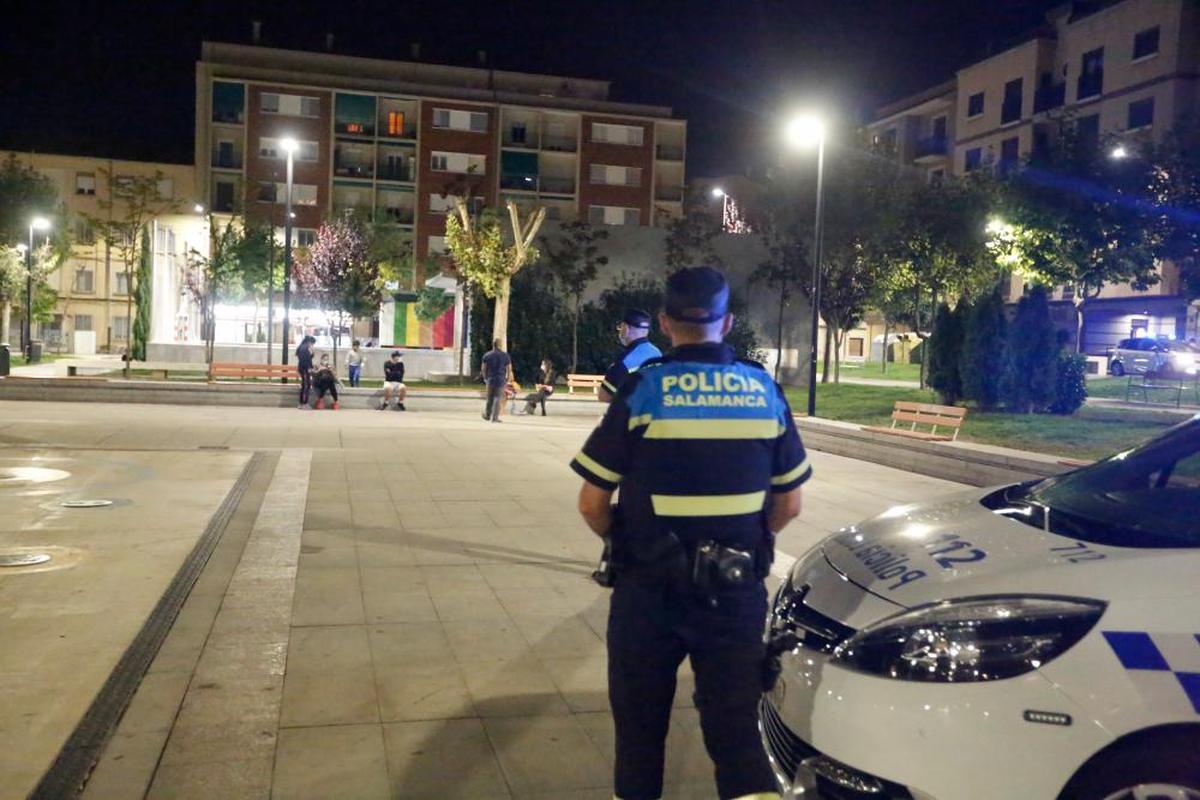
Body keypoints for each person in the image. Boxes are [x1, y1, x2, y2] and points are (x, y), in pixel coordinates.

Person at [571, 266, 810, 800]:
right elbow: (789, 503)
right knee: (739, 740)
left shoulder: (643, 389)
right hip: (734, 594)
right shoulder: (761, 390)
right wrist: (748, 542)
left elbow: (592, 502)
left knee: (639, 736)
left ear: (664, 322)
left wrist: (623, 539)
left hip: (647, 593)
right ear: (727, 323)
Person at [599, 309, 662, 403]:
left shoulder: (623, 362)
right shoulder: (657, 353)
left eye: (621, 326)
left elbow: (604, 397)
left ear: (626, 328)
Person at [481, 339, 511, 423]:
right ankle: (495, 417)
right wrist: (508, 379)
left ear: (493, 345)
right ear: (500, 345)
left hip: (490, 379)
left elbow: (483, 368)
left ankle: (487, 415)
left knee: (489, 398)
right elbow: (509, 368)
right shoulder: (505, 356)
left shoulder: (487, 355)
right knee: (497, 398)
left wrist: (485, 378)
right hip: (501, 379)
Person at [295, 335, 316, 409]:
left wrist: (312, 354)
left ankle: (301, 403)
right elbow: (306, 360)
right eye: (312, 344)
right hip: (304, 368)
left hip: (302, 368)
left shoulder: (302, 347)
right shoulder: (304, 348)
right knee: (307, 385)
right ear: (309, 342)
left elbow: (307, 358)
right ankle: (305, 403)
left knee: (304, 384)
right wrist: (309, 368)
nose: (312, 345)